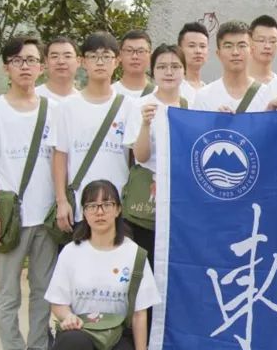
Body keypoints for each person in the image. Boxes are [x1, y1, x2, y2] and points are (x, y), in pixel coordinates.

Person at [0, 36, 57, 350]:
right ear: (7, 67)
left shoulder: (52, 108)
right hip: (12, 217)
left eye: (32, 60)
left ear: (41, 67)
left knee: (43, 289)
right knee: (8, 291)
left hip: (46, 217)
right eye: (18, 60)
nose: (26, 66)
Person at [46, 180, 160, 350]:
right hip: (81, 331)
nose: (99, 212)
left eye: (106, 204)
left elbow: (140, 314)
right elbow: (57, 301)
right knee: (71, 342)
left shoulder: (134, 254)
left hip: (117, 337)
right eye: (92, 205)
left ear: (118, 209)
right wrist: (67, 317)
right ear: (84, 212)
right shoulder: (71, 252)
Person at [48, 32, 134, 233]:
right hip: (79, 206)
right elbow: (60, 156)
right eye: (93, 56)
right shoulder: (66, 107)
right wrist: (61, 201)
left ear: (117, 61)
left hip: (118, 205)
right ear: (83, 62)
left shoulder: (128, 106)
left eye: (106, 56)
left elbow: (134, 157)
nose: (100, 62)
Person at [122, 44, 188, 263]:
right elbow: (140, 157)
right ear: (152, 71)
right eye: (161, 67)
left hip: (182, 197)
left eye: (175, 66)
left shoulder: (193, 103)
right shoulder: (141, 106)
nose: (169, 72)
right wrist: (145, 125)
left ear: (184, 71)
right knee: (146, 261)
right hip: (148, 199)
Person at [193, 21, 272, 113]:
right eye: (228, 46)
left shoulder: (266, 95)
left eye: (242, 45)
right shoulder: (204, 97)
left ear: (251, 51)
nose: (235, 52)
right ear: (218, 54)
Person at [112, 29, 154, 99]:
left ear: (150, 56)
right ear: (120, 56)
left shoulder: (162, 96)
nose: (135, 56)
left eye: (141, 51)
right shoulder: (107, 95)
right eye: (129, 51)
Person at [36, 36, 80, 102]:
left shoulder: (84, 102)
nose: (61, 61)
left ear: (78, 61)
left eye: (67, 56)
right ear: (46, 61)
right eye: (54, 56)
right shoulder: (32, 97)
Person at [177, 22, 209, 102]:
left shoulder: (210, 91)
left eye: (202, 46)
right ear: (180, 49)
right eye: (192, 46)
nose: (198, 51)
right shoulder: (172, 88)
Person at [248, 15, 277, 85]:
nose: (267, 46)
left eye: (272, 41)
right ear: (249, 42)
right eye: (261, 40)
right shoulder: (237, 82)